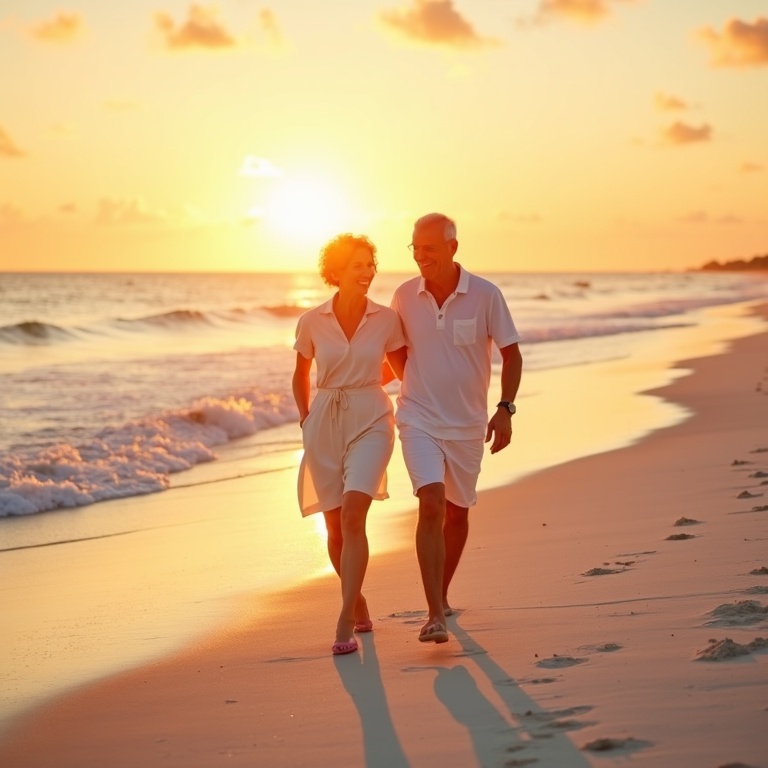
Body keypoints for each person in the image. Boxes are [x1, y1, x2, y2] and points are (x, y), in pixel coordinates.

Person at [387, 213, 523, 644]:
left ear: (452, 247)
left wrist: (504, 408)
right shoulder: (405, 296)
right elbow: (395, 348)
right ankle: (433, 614)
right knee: (430, 501)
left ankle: (441, 596)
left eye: (429, 247)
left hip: (467, 423)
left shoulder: (485, 294)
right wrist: (415, 383)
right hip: (418, 416)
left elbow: (512, 354)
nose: (421, 256)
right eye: (415, 248)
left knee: (456, 511)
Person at [292, 233, 406, 656]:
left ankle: (343, 618)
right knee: (335, 526)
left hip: (372, 420)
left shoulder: (386, 319)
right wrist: (306, 419)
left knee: (355, 513)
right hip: (324, 422)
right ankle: (356, 600)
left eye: (370, 264)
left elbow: (402, 367)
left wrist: (370, 382)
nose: (367, 272)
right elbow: (300, 373)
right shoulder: (311, 321)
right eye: (358, 265)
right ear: (336, 272)